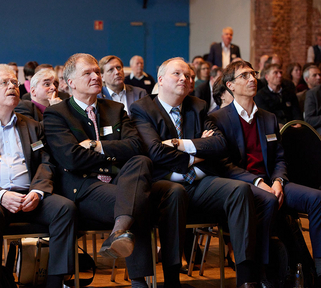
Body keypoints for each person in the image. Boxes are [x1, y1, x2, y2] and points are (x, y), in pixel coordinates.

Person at [44, 53, 179, 288]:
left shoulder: (116, 109)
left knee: (148, 169)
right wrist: (114, 157)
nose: (96, 76)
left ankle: (122, 233)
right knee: (137, 198)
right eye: (87, 73)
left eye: (97, 71)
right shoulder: (57, 114)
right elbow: (71, 159)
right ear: (71, 83)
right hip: (84, 187)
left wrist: (97, 147)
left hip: (122, 181)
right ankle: (139, 281)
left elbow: (136, 147)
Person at [130, 57, 261, 288]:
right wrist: (199, 150)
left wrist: (181, 144)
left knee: (240, 190)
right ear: (160, 80)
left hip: (201, 183)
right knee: (176, 193)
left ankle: (246, 279)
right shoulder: (142, 108)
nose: (185, 79)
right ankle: (172, 279)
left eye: (189, 76)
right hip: (164, 184)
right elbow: (156, 152)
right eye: (177, 74)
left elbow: (221, 145)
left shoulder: (198, 106)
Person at [0, 64, 76, 288]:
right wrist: (0, 194)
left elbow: (46, 162)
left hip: (28, 195)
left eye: (14, 82)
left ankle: (56, 281)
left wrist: (37, 191)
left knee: (64, 208)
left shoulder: (32, 126)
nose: (12, 86)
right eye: (4, 83)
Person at [208, 60, 321, 285]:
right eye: (245, 76)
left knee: (317, 198)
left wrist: (279, 180)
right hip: (244, 184)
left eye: (253, 74)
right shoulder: (219, 119)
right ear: (230, 85)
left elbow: (279, 158)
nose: (252, 79)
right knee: (268, 199)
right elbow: (225, 165)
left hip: (274, 182)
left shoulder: (268, 118)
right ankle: (263, 271)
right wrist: (258, 181)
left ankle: (317, 269)